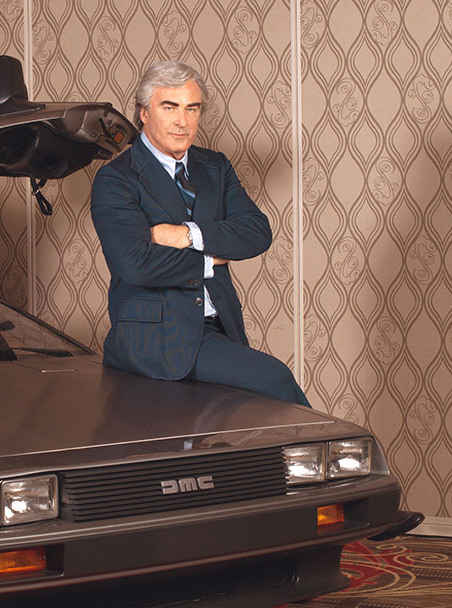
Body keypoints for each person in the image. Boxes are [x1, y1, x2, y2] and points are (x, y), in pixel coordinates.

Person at [90, 60, 310, 407]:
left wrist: (188, 235)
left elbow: (257, 232)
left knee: (246, 418)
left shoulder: (215, 167)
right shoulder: (117, 178)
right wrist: (210, 260)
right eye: (170, 107)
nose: (183, 121)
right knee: (275, 378)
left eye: (192, 108)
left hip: (221, 326)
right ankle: (335, 446)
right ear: (144, 113)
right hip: (156, 338)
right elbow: (135, 264)